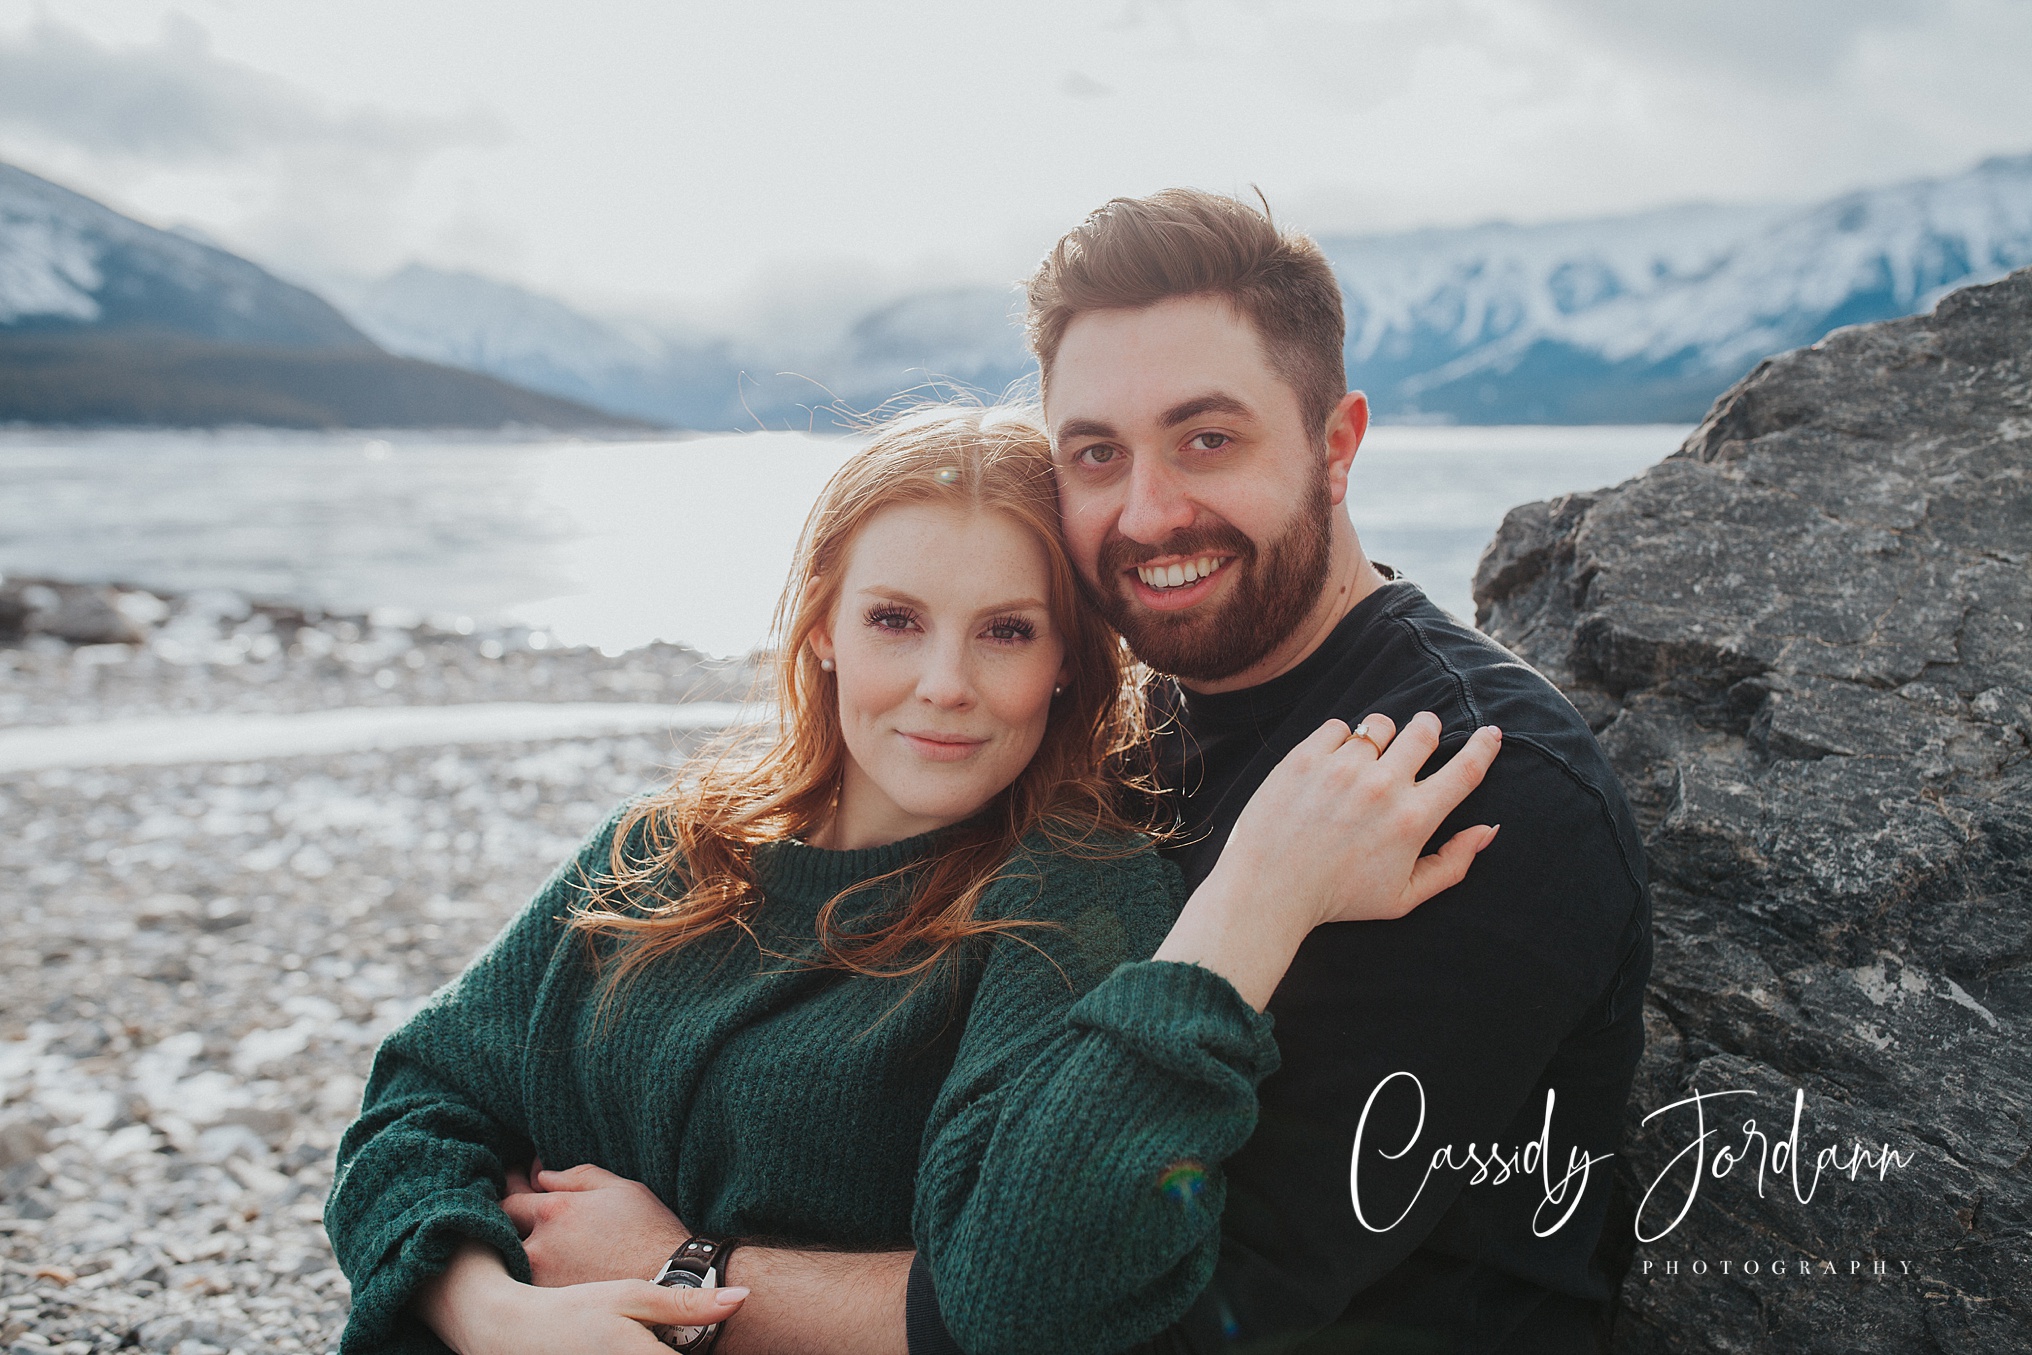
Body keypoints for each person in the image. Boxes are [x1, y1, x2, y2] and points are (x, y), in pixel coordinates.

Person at [502, 191, 1653, 1354]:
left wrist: (683, 1272)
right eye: (1096, 453)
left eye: (1209, 438)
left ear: (1336, 444)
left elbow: (1161, 1309)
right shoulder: (1116, 737)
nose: (1147, 512)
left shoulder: (1465, 786)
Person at [323, 406, 1503, 1355]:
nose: (945, 681)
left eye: (1005, 630)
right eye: (896, 619)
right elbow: (419, 1101)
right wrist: (498, 1313)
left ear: (1066, 660)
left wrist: (679, 1275)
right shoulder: (665, 845)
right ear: (823, 624)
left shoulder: (1072, 896)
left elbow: (1037, 1295)